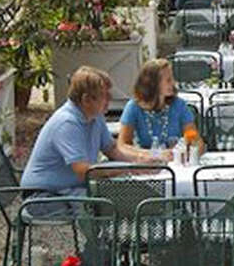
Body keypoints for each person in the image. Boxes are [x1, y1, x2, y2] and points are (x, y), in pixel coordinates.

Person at [20, 67, 162, 196]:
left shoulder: (95, 115)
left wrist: (141, 160)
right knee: (114, 201)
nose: (110, 100)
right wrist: (129, 169)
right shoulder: (67, 123)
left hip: (69, 188)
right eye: (105, 96)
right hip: (44, 195)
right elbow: (84, 172)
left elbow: (112, 149)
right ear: (86, 100)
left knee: (129, 193)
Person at [116, 59, 200, 153]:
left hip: (174, 163)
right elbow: (122, 145)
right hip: (144, 163)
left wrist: (190, 149)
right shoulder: (133, 107)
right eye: (168, 80)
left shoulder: (179, 105)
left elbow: (194, 139)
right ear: (152, 83)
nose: (173, 83)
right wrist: (154, 155)